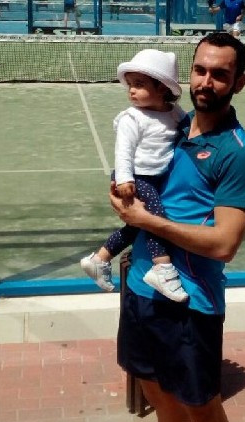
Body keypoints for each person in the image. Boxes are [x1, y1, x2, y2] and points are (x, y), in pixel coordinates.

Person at [110, 32, 245, 422]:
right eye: (200, 70)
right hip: (141, 288)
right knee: (163, 402)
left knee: (205, 415)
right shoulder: (169, 125)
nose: (206, 82)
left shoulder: (237, 153)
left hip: (189, 304)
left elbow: (225, 244)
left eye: (220, 74)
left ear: (238, 83)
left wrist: (146, 221)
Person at [81, 49, 189, 303]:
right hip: (136, 177)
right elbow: (123, 151)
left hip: (156, 177)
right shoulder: (132, 118)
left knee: (135, 226)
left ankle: (100, 259)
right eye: (130, 85)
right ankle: (162, 268)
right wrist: (124, 180)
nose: (131, 91)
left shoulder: (174, 112)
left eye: (139, 85)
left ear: (162, 88)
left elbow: (188, 126)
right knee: (154, 219)